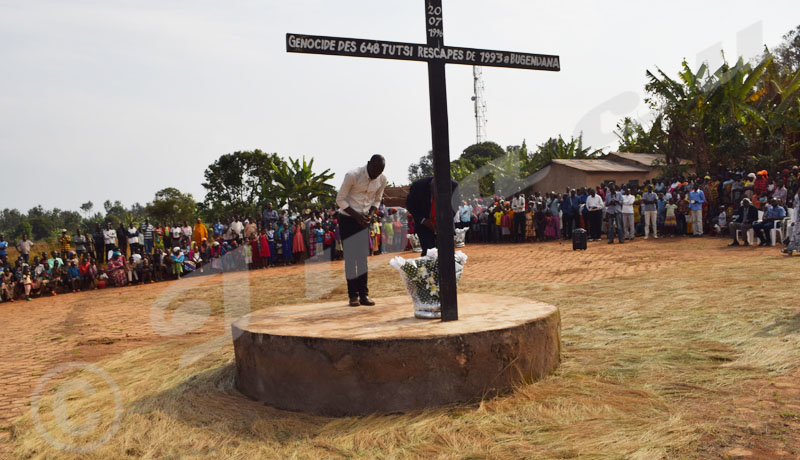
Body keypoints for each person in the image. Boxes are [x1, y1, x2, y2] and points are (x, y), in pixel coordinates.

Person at [336, 155, 387, 307]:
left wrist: (370, 215)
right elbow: (340, 200)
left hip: (364, 220)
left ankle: (364, 295)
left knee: (363, 258)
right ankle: (353, 296)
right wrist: (357, 216)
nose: (376, 174)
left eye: (380, 171)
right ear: (369, 164)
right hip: (348, 218)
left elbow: (377, 199)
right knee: (351, 259)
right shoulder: (352, 175)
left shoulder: (382, 179)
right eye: (375, 169)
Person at [406, 175, 461, 255]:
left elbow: (455, 205)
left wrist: (443, 221)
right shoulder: (418, 186)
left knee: (447, 252)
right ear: (430, 187)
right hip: (424, 225)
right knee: (429, 253)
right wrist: (423, 220)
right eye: (435, 191)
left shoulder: (454, 186)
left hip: (445, 224)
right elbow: (410, 205)